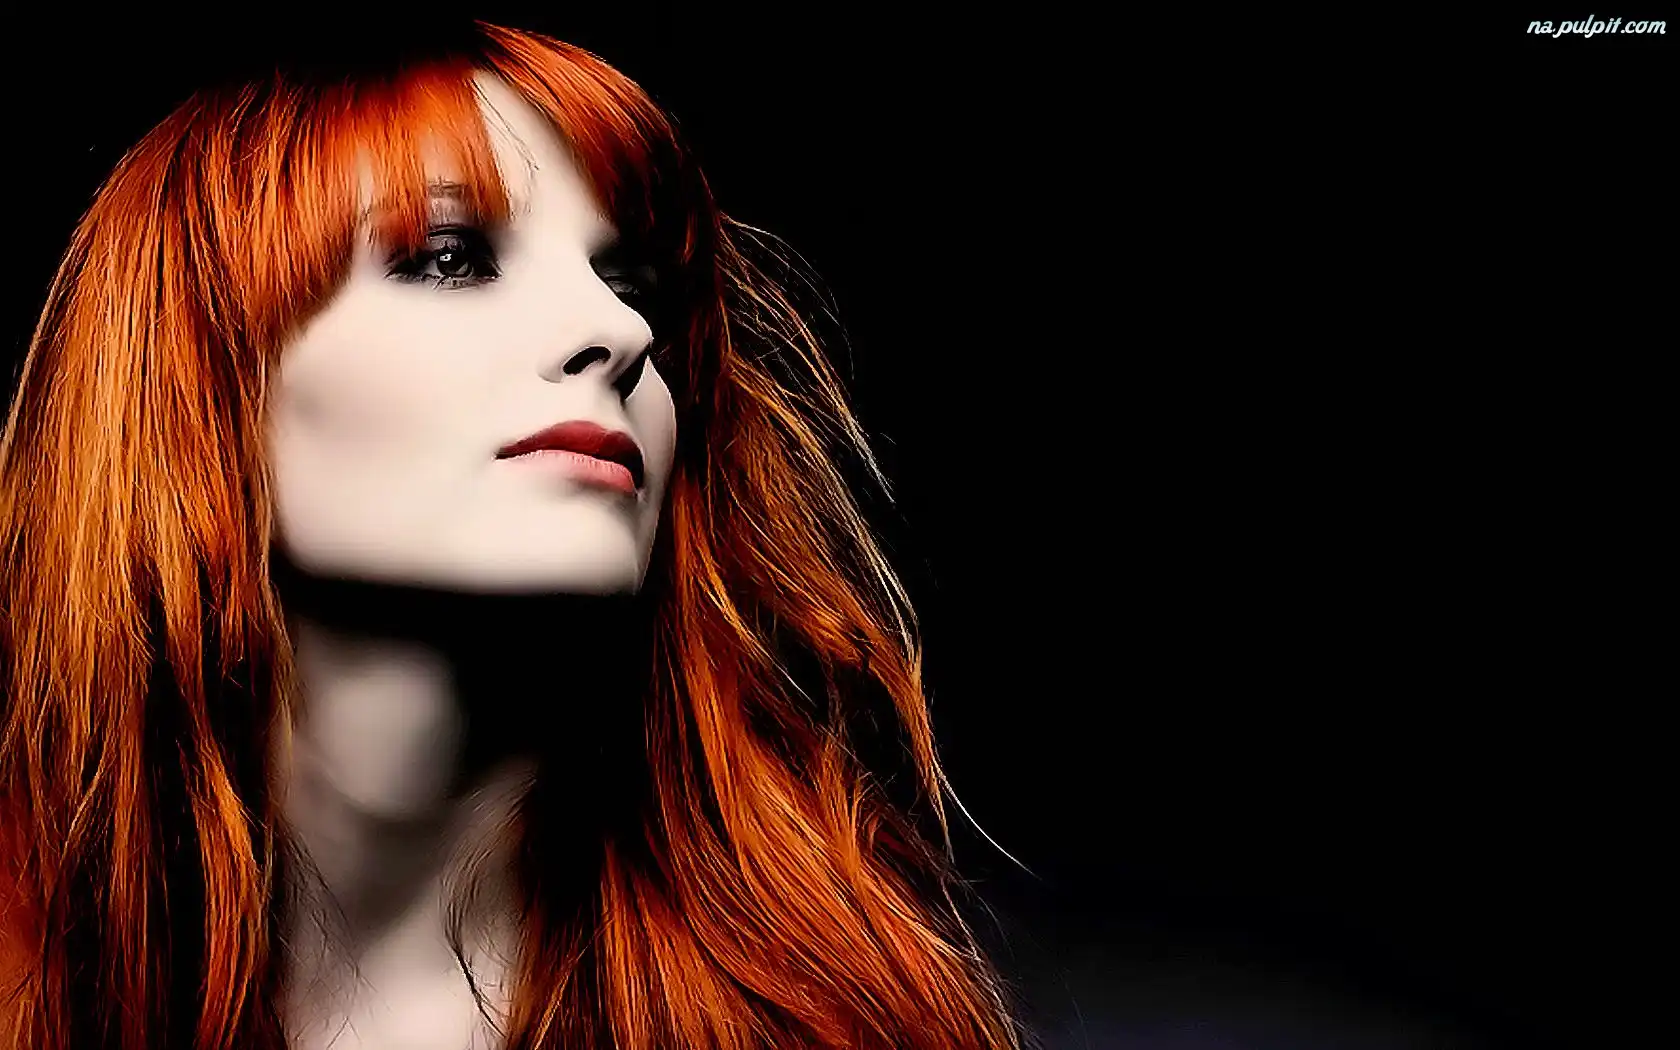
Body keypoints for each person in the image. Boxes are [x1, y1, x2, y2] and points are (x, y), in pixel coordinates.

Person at [0, 19, 1036, 1050]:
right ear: (203, 374)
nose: (621, 332)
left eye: (632, 287)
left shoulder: (836, 1015)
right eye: (450, 258)